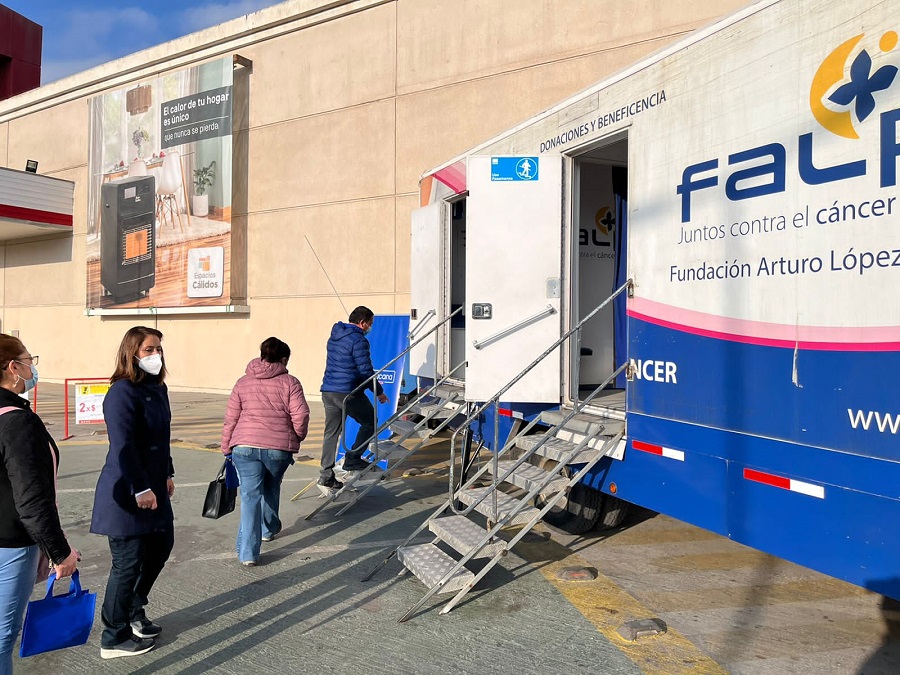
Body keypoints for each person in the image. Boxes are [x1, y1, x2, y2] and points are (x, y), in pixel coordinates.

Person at [90, 326, 175, 660]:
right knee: (127, 564)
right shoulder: (122, 392)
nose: (156, 356)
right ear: (132, 354)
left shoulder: (158, 388)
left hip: (155, 488)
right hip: (128, 491)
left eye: (158, 349)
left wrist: (166, 473)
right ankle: (114, 636)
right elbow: (123, 444)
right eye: (148, 350)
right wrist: (140, 487)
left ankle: (134, 609)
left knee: (160, 548)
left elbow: (162, 437)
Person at [0, 335, 79, 675]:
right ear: (14, 367)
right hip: (10, 542)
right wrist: (60, 552)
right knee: (2, 639)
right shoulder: (16, 420)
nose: (33, 368)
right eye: (29, 360)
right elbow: (32, 499)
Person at [221, 337, 310, 566]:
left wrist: (226, 445)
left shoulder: (243, 382)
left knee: (250, 497)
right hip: (277, 449)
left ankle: (248, 554)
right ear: (283, 359)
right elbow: (301, 415)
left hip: (244, 446)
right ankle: (268, 529)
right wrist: (296, 436)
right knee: (271, 488)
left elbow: (231, 417)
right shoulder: (290, 382)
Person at [319, 306, 388, 494]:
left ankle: (326, 474)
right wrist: (379, 392)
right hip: (347, 393)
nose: (370, 328)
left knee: (331, 433)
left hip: (328, 390)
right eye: (370, 324)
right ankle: (353, 458)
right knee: (369, 421)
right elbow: (365, 371)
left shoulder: (334, 336)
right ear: (362, 323)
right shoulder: (358, 340)